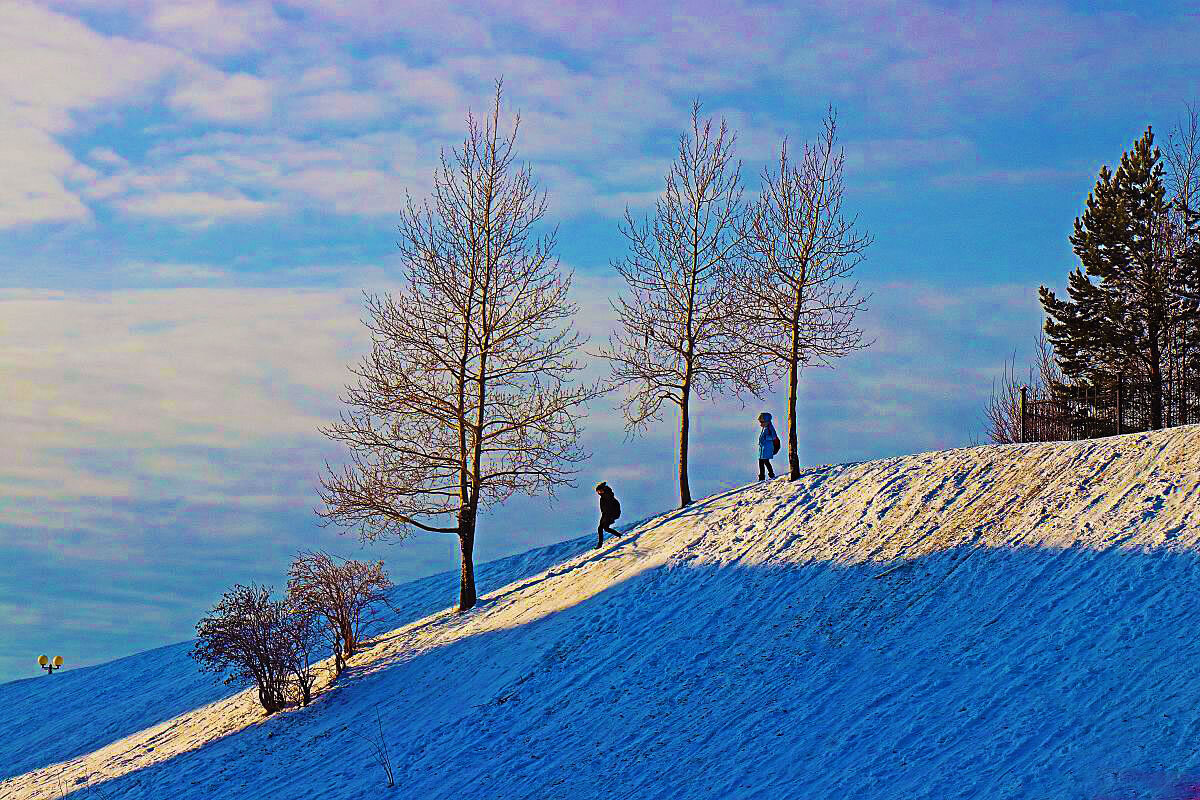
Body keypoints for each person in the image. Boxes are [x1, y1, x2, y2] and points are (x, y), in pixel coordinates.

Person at [595, 482, 621, 548]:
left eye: (600, 491)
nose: (599, 493)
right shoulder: (603, 498)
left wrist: (611, 516)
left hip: (611, 514)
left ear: (603, 490)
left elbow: (612, 507)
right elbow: (603, 509)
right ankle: (619, 535)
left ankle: (600, 544)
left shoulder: (608, 496)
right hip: (606, 514)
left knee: (601, 528)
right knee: (604, 528)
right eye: (598, 492)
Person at [757, 412, 780, 480]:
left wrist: (766, 438)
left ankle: (771, 474)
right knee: (761, 461)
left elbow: (774, 436)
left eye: (762, 422)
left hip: (767, 448)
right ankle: (762, 476)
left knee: (765, 461)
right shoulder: (765, 428)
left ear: (767, 421)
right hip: (763, 448)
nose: (761, 424)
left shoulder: (770, 428)